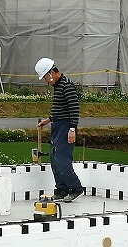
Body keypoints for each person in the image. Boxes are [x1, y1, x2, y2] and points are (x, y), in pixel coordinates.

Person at [35, 58, 84, 202]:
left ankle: (75, 188)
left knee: (62, 159)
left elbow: (74, 109)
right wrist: (48, 120)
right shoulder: (58, 86)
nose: (46, 81)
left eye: (45, 77)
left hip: (66, 126)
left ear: (51, 73)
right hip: (57, 125)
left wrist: (72, 129)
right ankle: (61, 189)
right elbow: (59, 109)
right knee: (53, 158)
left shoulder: (67, 86)